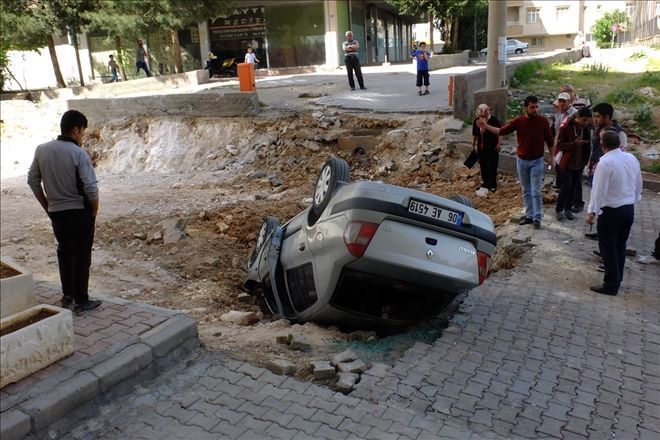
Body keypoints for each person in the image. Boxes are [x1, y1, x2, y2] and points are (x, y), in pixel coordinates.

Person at [27, 110, 102, 313]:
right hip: (79, 212)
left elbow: (32, 180)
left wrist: (47, 206)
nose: (83, 136)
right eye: (83, 131)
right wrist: (94, 209)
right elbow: (91, 186)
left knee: (64, 252)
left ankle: (68, 295)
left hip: (57, 214)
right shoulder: (78, 153)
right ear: (76, 129)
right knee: (81, 255)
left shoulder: (41, 150)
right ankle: (82, 300)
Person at [478, 95, 553, 229]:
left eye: (536, 107)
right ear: (526, 108)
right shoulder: (519, 121)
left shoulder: (543, 121)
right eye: (532, 107)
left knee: (536, 190)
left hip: (537, 161)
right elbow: (501, 131)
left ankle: (537, 217)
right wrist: (485, 126)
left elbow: (549, 140)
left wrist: (552, 158)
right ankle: (529, 215)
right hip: (522, 161)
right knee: (526, 190)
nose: (535, 109)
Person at [586, 129, 642, 295]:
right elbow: (638, 182)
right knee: (619, 246)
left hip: (611, 211)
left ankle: (610, 285)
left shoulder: (605, 163)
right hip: (628, 208)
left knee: (608, 247)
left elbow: (598, 191)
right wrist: (635, 199)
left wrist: (592, 212)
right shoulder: (632, 158)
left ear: (602, 145)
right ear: (619, 143)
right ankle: (617, 279)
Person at [554, 107, 592, 221]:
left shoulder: (585, 128)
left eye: (587, 120)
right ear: (577, 117)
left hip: (579, 162)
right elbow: (559, 144)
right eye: (583, 120)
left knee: (574, 187)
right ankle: (559, 209)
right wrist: (573, 144)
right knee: (566, 186)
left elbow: (588, 145)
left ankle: (568, 209)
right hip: (567, 162)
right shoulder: (565, 126)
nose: (585, 123)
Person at [588, 102, 627, 181]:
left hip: (609, 173)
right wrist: (590, 164)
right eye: (594, 116)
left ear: (607, 117)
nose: (595, 119)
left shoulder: (619, 133)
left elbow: (622, 154)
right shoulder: (598, 130)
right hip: (595, 169)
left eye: (598, 116)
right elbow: (594, 149)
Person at [472, 104, 502, 192]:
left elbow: (500, 132)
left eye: (484, 111)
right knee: (483, 166)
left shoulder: (493, 120)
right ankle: (485, 183)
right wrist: (473, 145)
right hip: (481, 147)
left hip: (492, 147)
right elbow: (475, 134)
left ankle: (493, 184)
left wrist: (499, 144)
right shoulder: (476, 121)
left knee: (492, 166)